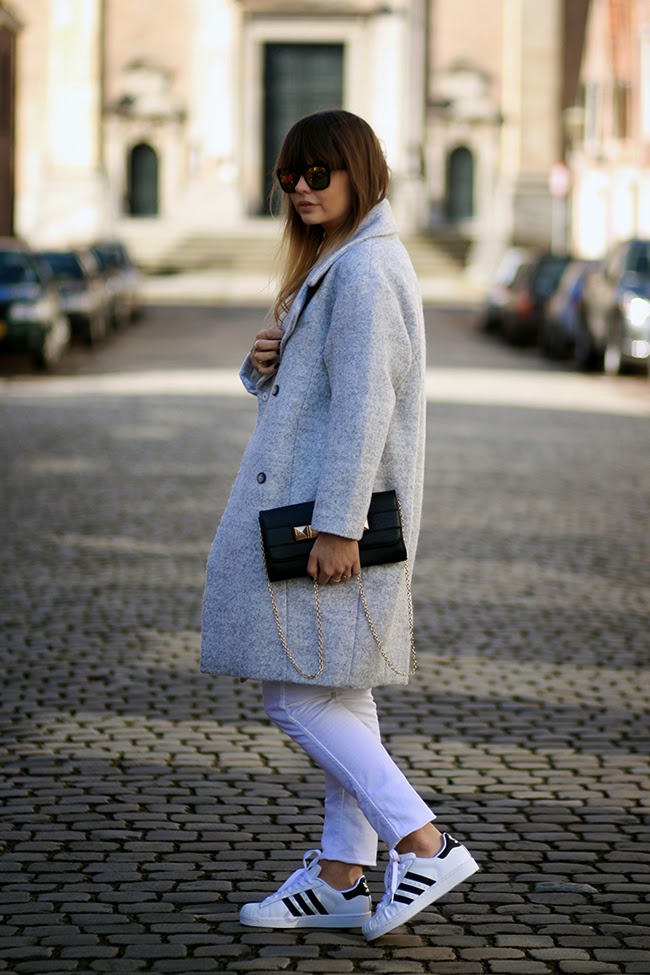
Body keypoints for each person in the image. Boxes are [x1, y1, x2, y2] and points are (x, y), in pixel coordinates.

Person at [201, 109, 478, 940]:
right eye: (290, 174)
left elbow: (365, 408)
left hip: (328, 521)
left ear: (363, 173)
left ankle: (424, 842)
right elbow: (321, 398)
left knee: (292, 692)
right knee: (340, 692)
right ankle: (340, 875)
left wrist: (338, 526)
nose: (301, 188)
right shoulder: (338, 262)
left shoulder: (363, 270)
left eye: (320, 173)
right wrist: (264, 366)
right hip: (320, 510)